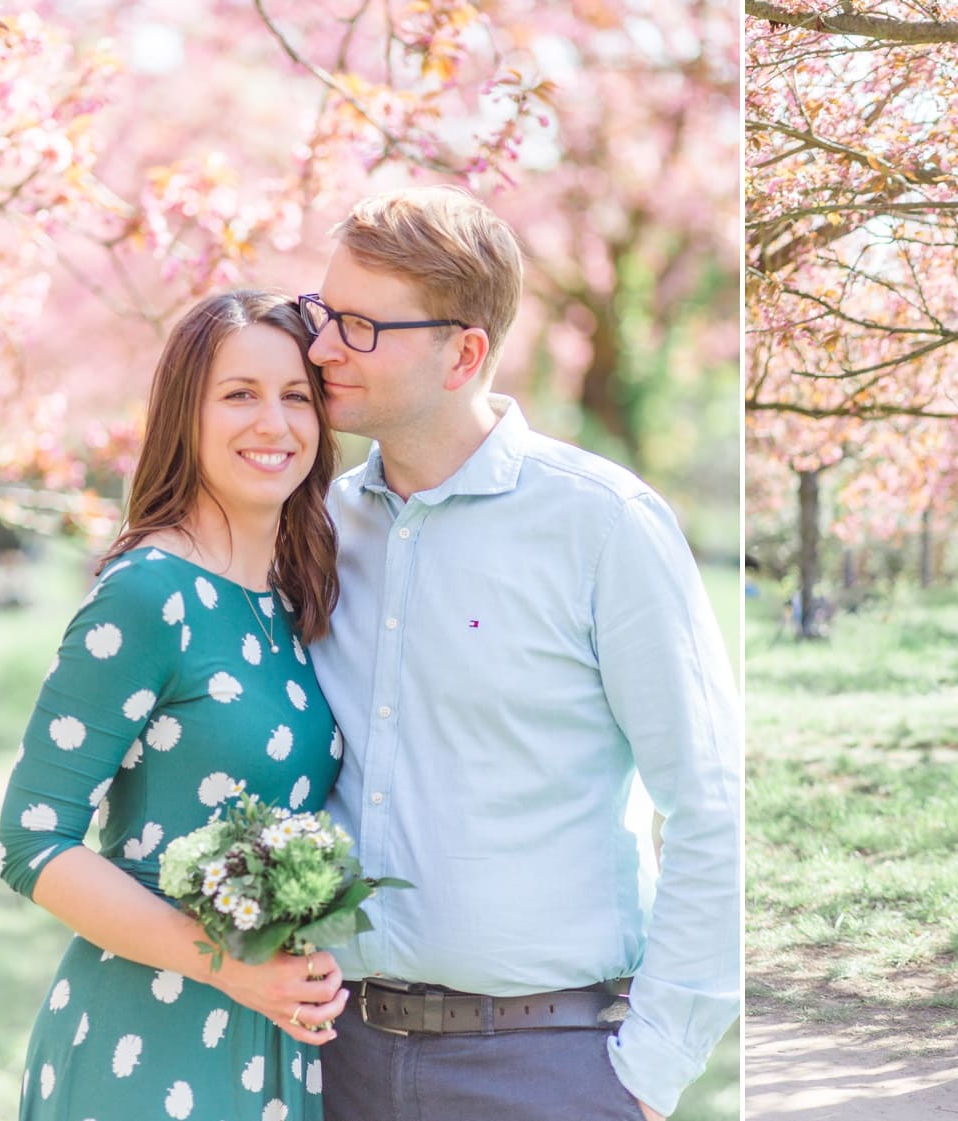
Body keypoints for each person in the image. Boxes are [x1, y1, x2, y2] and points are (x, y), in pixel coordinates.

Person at [300, 185, 740, 1121]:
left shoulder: (601, 524)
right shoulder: (318, 527)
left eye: (359, 326)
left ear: (462, 353)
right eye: (321, 313)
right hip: (330, 1061)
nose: (322, 347)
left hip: (547, 1068)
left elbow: (709, 802)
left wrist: (651, 1071)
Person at [0, 290, 351, 1120]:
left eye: (297, 395)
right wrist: (228, 965)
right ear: (183, 414)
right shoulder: (149, 594)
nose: (275, 422)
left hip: (268, 1039)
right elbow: (31, 838)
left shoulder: (291, 598)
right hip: (145, 1044)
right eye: (240, 394)